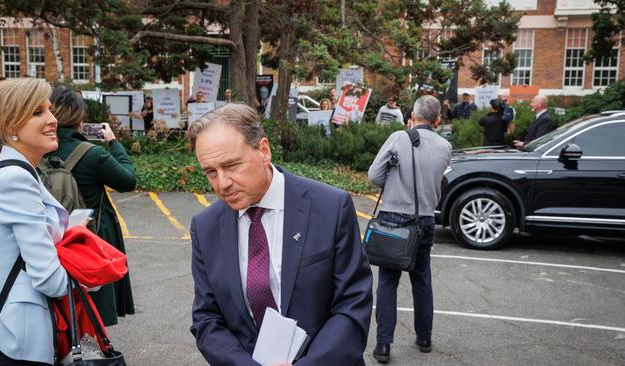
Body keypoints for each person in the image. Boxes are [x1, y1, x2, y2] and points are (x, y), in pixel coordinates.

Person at [188, 103, 373, 365]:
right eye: (210, 172)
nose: (222, 183)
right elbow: (207, 319)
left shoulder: (330, 207)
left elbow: (353, 304)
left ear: (264, 150)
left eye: (231, 165)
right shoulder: (205, 227)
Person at [0, 78, 69, 365]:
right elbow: (49, 279)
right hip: (19, 338)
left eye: (50, 110)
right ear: (10, 126)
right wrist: (89, 273)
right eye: (38, 112)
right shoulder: (15, 179)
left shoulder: (13, 173)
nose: (53, 120)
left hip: (13, 332)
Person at [368, 95, 452, 362]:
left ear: (412, 117)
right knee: (422, 278)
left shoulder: (398, 138)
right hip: (424, 219)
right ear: (438, 119)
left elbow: (374, 176)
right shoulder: (445, 146)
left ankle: (383, 345)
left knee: (388, 282)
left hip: (393, 216)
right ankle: (424, 338)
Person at [46, 88, 137, 326]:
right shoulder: (93, 154)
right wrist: (114, 142)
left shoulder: (41, 149)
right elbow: (128, 180)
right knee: (94, 298)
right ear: (80, 119)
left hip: (52, 231)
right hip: (91, 232)